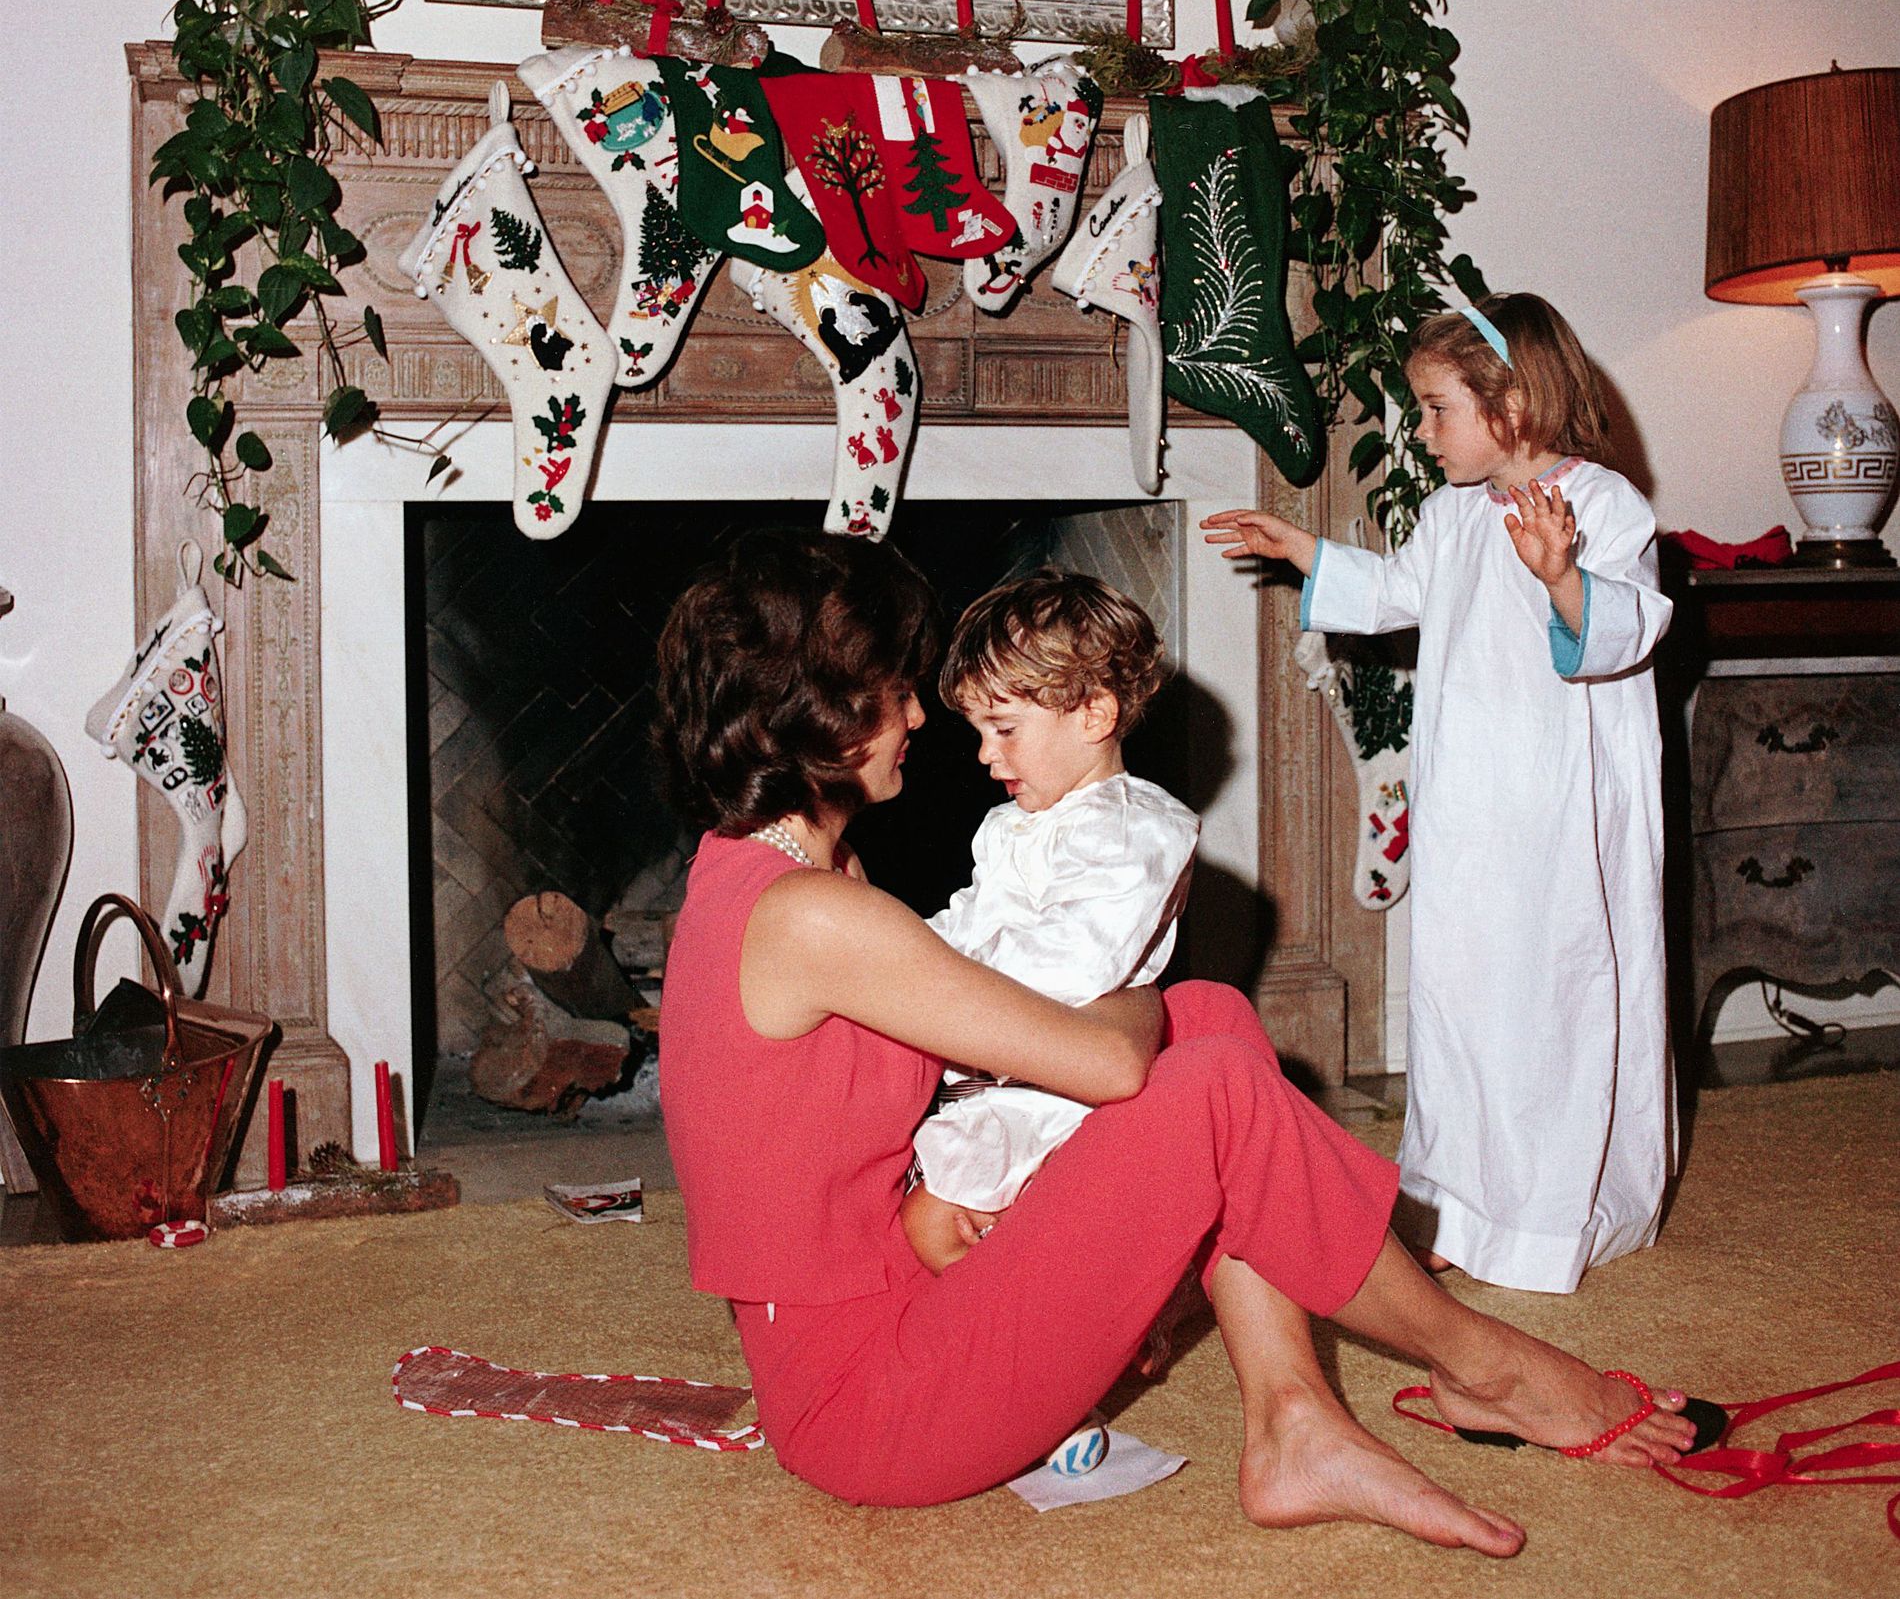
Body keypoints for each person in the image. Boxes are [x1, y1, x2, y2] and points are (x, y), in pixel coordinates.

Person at [654, 527, 1701, 1549]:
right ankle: (1485, 1365)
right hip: (873, 1404)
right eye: (895, 690)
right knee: (1196, 1067)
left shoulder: (785, 879)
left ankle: (1294, 1421)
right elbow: (1110, 1062)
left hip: (916, 1291)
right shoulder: (815, 919)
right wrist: (1141, 968)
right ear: (826, 717)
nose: (920, 717)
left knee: (1213, 1021)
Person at [1202, 293, 1673, 1295]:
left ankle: (1543, 1218)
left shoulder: (1603, 507)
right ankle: (1454, 1201)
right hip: (1469, 810)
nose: (1421, 434)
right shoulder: (1455, 512)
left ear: (1514, 403)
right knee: (1460, 1002)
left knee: (1546, 1004)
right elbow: (1401, 592)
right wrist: (1306, 554)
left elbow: (1626, 629)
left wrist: (1561, 578)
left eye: (1435, 410)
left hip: (1554, 817)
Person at [901, 570, 1199, 1276]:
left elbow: (1073, 962)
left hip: (1064, 1092)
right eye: (978, 730)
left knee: (936, 1224)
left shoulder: (1138, 829)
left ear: (1094, 714)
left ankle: (1067, 1336)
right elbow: (969, 916)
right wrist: (902, 955)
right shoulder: (1010, 825)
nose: (983, 753)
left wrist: (941, 995)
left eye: (1003, 729)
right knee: (914, 1218)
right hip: (998, 1073)